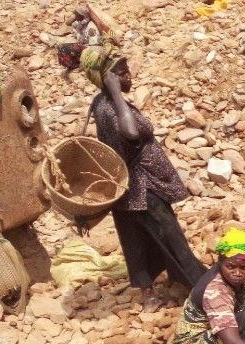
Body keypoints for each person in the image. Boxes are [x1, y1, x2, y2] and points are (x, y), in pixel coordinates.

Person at [81, 44, 207, 311]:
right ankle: (200, 289)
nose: (129, 76)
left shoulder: (106, 103)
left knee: (137, 235)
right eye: (121, 72)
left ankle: (153, 292)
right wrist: (116, 92)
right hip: (141, 184)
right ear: (107, 79)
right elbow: (131, 132)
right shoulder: (108, 106)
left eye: (127, 70)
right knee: (168, 234)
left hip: (134, 182)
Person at [57, 3, 118, 72]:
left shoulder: (91, 28)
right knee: (61, 47)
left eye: (77, 14)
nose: (75, 15)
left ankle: (79, 64)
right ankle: (73, 65)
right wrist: (74, 17)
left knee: (66, 48)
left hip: (93, 48)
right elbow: (68, 23)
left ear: (82, 16)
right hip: (85, 47)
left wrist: (82, 47)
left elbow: (94, 44)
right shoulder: (81, 24)